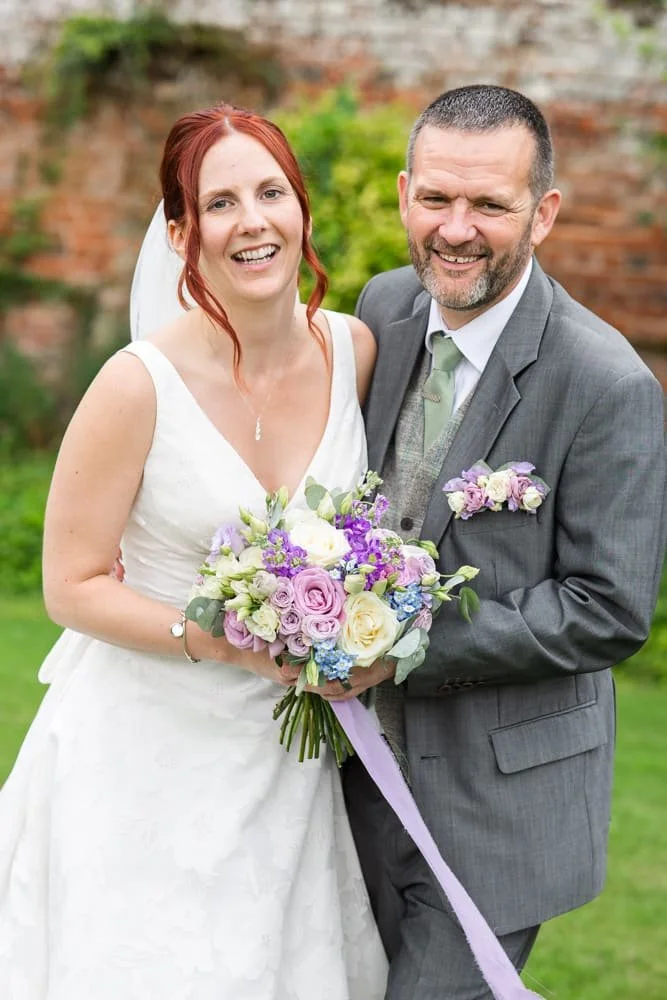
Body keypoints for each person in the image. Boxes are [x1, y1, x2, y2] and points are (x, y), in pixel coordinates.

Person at [0, 103, 388, 998]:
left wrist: (362, 630)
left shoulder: (354, 352)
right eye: (219, 204)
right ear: (180, 234)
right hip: (142, 750)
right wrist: (217, 639)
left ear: (302, 211)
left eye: (271, 193)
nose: (251, 221)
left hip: (284, 760)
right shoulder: (136, 386)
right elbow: (71, 585)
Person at [335, 84, 667, 998]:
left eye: (489, 204)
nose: (455, 228)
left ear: (543, 212)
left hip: (495, 805)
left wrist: (394, 651)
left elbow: (607, 608)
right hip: (350, 781)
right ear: (405, 192)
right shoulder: (383, 305)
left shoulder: (606, 385)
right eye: (437, 198)